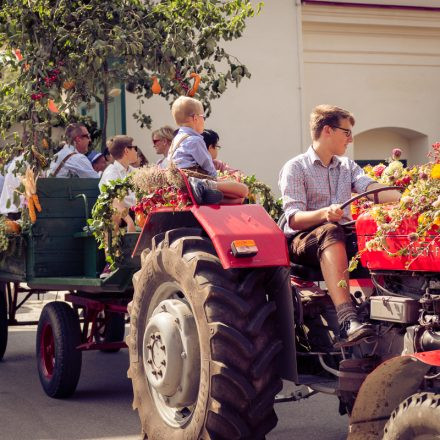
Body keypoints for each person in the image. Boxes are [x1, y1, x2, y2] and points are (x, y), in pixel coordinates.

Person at [279, 104, 401, 346]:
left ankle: (386, 312)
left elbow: (372, 189)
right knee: (332, 231)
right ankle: (347, 320)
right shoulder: (296, 167)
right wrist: (324, 213)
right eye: (346, 132)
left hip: (339, 236)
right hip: (304, 242)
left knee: (375, 234)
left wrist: (406, 197)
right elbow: (293, 218)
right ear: (327, 130)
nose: (350, 139)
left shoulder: (347, 167)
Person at [170, 96, 248, 205]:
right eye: (203, 117)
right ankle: (203, 187)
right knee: (243, 190)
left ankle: (203, 195)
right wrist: (217, 179)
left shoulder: (176, 140)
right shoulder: (194, 140)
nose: (204, 120)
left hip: (182, 185)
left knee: (238, 200)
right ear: (195, 118)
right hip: (195, 181)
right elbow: (208, 166)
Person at [99, 135, 138, 278]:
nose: (136, 152)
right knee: (112, 215)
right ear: (126, 151)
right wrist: (129, 221)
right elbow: (114, 201)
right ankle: (111, 262)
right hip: (119, 213)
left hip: (135, 211)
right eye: (135, 148)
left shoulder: (133, 172)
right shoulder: (111, 173)